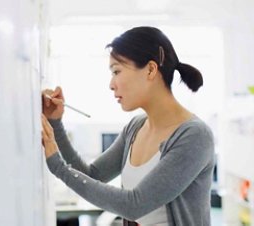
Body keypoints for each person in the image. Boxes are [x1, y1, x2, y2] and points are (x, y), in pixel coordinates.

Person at [41, 26, 215, 226]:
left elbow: (134, 205)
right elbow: (91, 175)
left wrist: (59, 168)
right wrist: (55, 122)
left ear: (150, 69)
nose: (111, 84)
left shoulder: (195, 136)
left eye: (117, 71)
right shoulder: (135, 127)